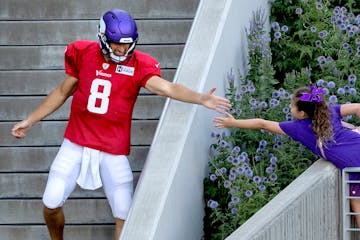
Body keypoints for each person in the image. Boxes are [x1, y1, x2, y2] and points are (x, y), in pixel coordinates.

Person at [11, 8, 231, 240]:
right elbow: (63, 91)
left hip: (113, 150)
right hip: (76, 142)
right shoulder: (84, 52)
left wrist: (200, 98)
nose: (122, 49)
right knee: (51, 203)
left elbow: (167, 88)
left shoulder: (138, 65)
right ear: (103, 37)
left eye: (126, 44)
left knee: (124, 218)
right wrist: (31, 119)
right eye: (116, 43)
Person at [213, 84, 360, 227]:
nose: (290, 107)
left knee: (356, 203)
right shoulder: (330, 111)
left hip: (353, 166)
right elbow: (357, 107)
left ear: (302, 113)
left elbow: (262, 124)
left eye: (292, 105)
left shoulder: (298, 128)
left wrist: (233, 122)